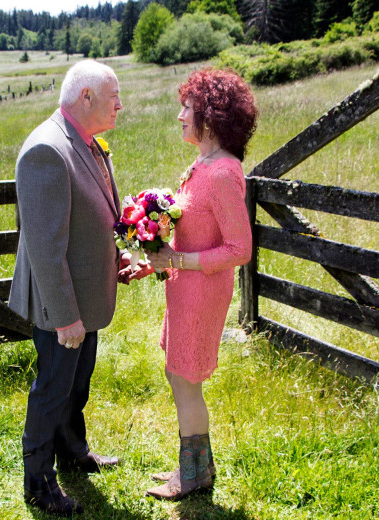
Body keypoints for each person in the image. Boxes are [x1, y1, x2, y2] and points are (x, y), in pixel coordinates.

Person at [128, 68, 257, 501]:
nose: (180, 115)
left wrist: (178, 260)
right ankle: (198, 467)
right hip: (185, 288)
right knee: (180, 375)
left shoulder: (222, 173)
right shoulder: (202, 165)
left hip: (202, 292)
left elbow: (240, 249)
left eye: (187, 108)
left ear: (211, 115)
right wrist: (151, 264)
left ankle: (193, 476)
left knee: (184, 378)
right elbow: (188, 232)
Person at [8, 59, 126, 516]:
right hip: (63, 304)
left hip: (86, 296)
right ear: (86, 97)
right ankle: (38, 482)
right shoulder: (47, 151)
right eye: (114, 95)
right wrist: (66, 318)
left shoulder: (87, 142)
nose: (121, 104)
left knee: (78, 383)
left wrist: (116, 258)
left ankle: (72, 450)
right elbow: (44, 249)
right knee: (53, 387)